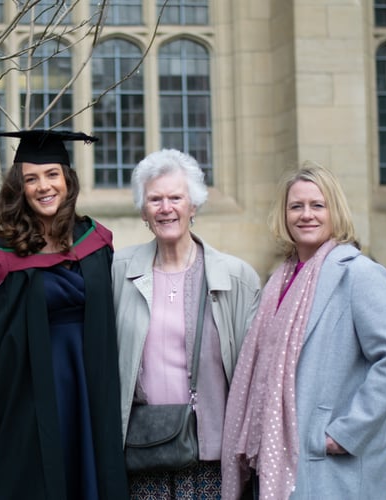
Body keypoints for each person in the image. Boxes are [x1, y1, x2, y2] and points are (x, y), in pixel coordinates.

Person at [221, 162, 386, 499]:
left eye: (317, 205)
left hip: (328, 462)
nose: (306, 215)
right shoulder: (279, 281)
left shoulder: (358, 274)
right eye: (296, 206)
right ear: (284, 215)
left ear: (335, 211)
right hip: (275, 460)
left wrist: (346, 432)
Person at [0, 130, 129, 500]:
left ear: (67, 180)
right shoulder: (1, 256)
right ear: (19, 188)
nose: (44, 186)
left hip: (91, 393)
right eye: (31, 178)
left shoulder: (96, 242)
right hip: (28, 402)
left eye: (52, 174)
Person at [112, 149, 261, 498]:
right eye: (155, 199)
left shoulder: (236, 278)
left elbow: (255, 372)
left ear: (193, 205)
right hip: (143, 447)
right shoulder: (117, 272)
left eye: (176, 197)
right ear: (143, 210)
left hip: (211, 455)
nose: (166, 208)